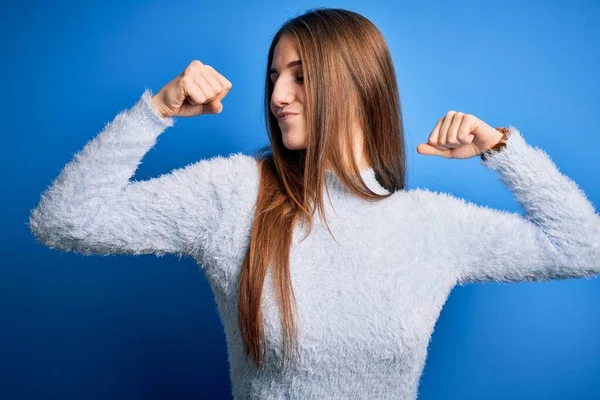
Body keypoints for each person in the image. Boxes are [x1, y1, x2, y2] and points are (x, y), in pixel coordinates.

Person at [28, 7, 600, 400]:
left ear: (356, 86)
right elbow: (62, 221)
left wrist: (501, 151)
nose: (276, 96)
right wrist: (155, 111)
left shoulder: (430, 223)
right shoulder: (232, 194)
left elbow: (585, 248)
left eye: (299, 77)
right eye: (275, 76)